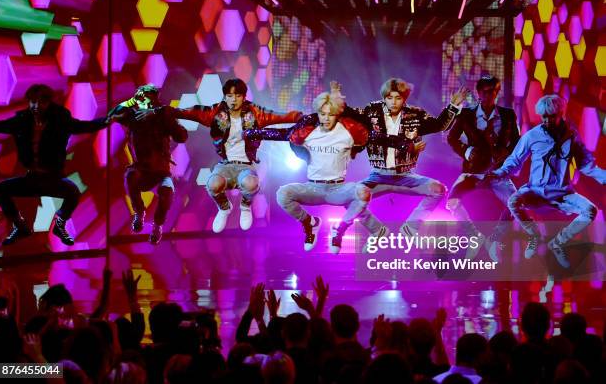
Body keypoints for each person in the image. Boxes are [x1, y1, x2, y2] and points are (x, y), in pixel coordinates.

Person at [140, 78, 302, 233]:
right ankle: (224, 208)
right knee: (213, 184)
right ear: (225, 97)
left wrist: (295, 117)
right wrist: (165, 111)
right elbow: (191, 112)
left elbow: (276, 116)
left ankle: (245, 206)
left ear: (244, 97)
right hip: (225, 165)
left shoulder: (254, 113)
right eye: (230, 96)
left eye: (237, 96)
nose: (233, 100)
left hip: (246, 165)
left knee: (251, 183)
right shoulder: (217, 113)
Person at [488, 94, 606, 268]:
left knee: (590, 211)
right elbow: (514, 161)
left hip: (563, 194)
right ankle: (534, 235)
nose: (546, 120)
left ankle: (558, 243)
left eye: (551, 116)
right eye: (543, 116)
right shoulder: (532, 136)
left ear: (561, 114)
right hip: (535, 191)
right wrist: (498, 173)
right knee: (513, 201)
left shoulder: (571, 135)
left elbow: (586, 165)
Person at [0, 84, 112, 246]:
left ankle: (59, 224)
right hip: (31, 178)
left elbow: (83, 126)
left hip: (52, 178)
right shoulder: (22, 120)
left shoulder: (60, 119)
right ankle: (20, 226)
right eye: (33, 102)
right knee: (0, 190)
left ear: (48, 103)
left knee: (73, 193)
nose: (36, 106)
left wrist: (108, 120)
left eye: (41, 102)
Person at [352, 78, 467, 239]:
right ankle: (377, 230)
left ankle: (411, 227)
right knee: (349, 196)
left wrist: (453, 106)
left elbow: (439, 125)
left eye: (398, 98)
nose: (393, 102)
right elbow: (350, 115)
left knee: (438, 190)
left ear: (404, 99)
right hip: (377, 176)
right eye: (389, 98)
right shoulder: (372, 111)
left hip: (405, 176)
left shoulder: (415, 114)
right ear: (384, 97)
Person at [267, 91, 371, 253]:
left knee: (364, 193)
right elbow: (281, 135)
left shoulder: (347, 133)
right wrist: (249, 134)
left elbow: (369, 129)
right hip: (313, 188)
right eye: (323, 114)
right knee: (283, 194)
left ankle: (340, 229)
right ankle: (310, 223)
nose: (326, 118)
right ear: (318, 114)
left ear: (337, 115)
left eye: (331, 114)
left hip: (338, 188)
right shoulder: (309, 132)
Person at [446, 75, 520, 262]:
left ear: (497, 93)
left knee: (517, 205)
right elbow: (452, 138)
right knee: (451, 203)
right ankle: (474, 236)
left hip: (498, 172)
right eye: (485, 92)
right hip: (472, 170)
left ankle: (494, 240)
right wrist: (466, 150)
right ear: (479, 93)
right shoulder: (466, 114)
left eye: (493, 92)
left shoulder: (508, 114)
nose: (489, 95)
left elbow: (517, 143)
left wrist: (507, 156)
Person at [109, 84, 188, 244]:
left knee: (167, 193)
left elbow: (182, 136)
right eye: (141, 98)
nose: (145, 102)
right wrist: (131, 102)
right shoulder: (132, 116)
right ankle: (139, 213)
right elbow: (113, 114)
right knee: (131, 176)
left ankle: (157, 226)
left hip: (161, 173)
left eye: (149, 99)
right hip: (141, 170)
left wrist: (160, 114)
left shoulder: (162, 118)